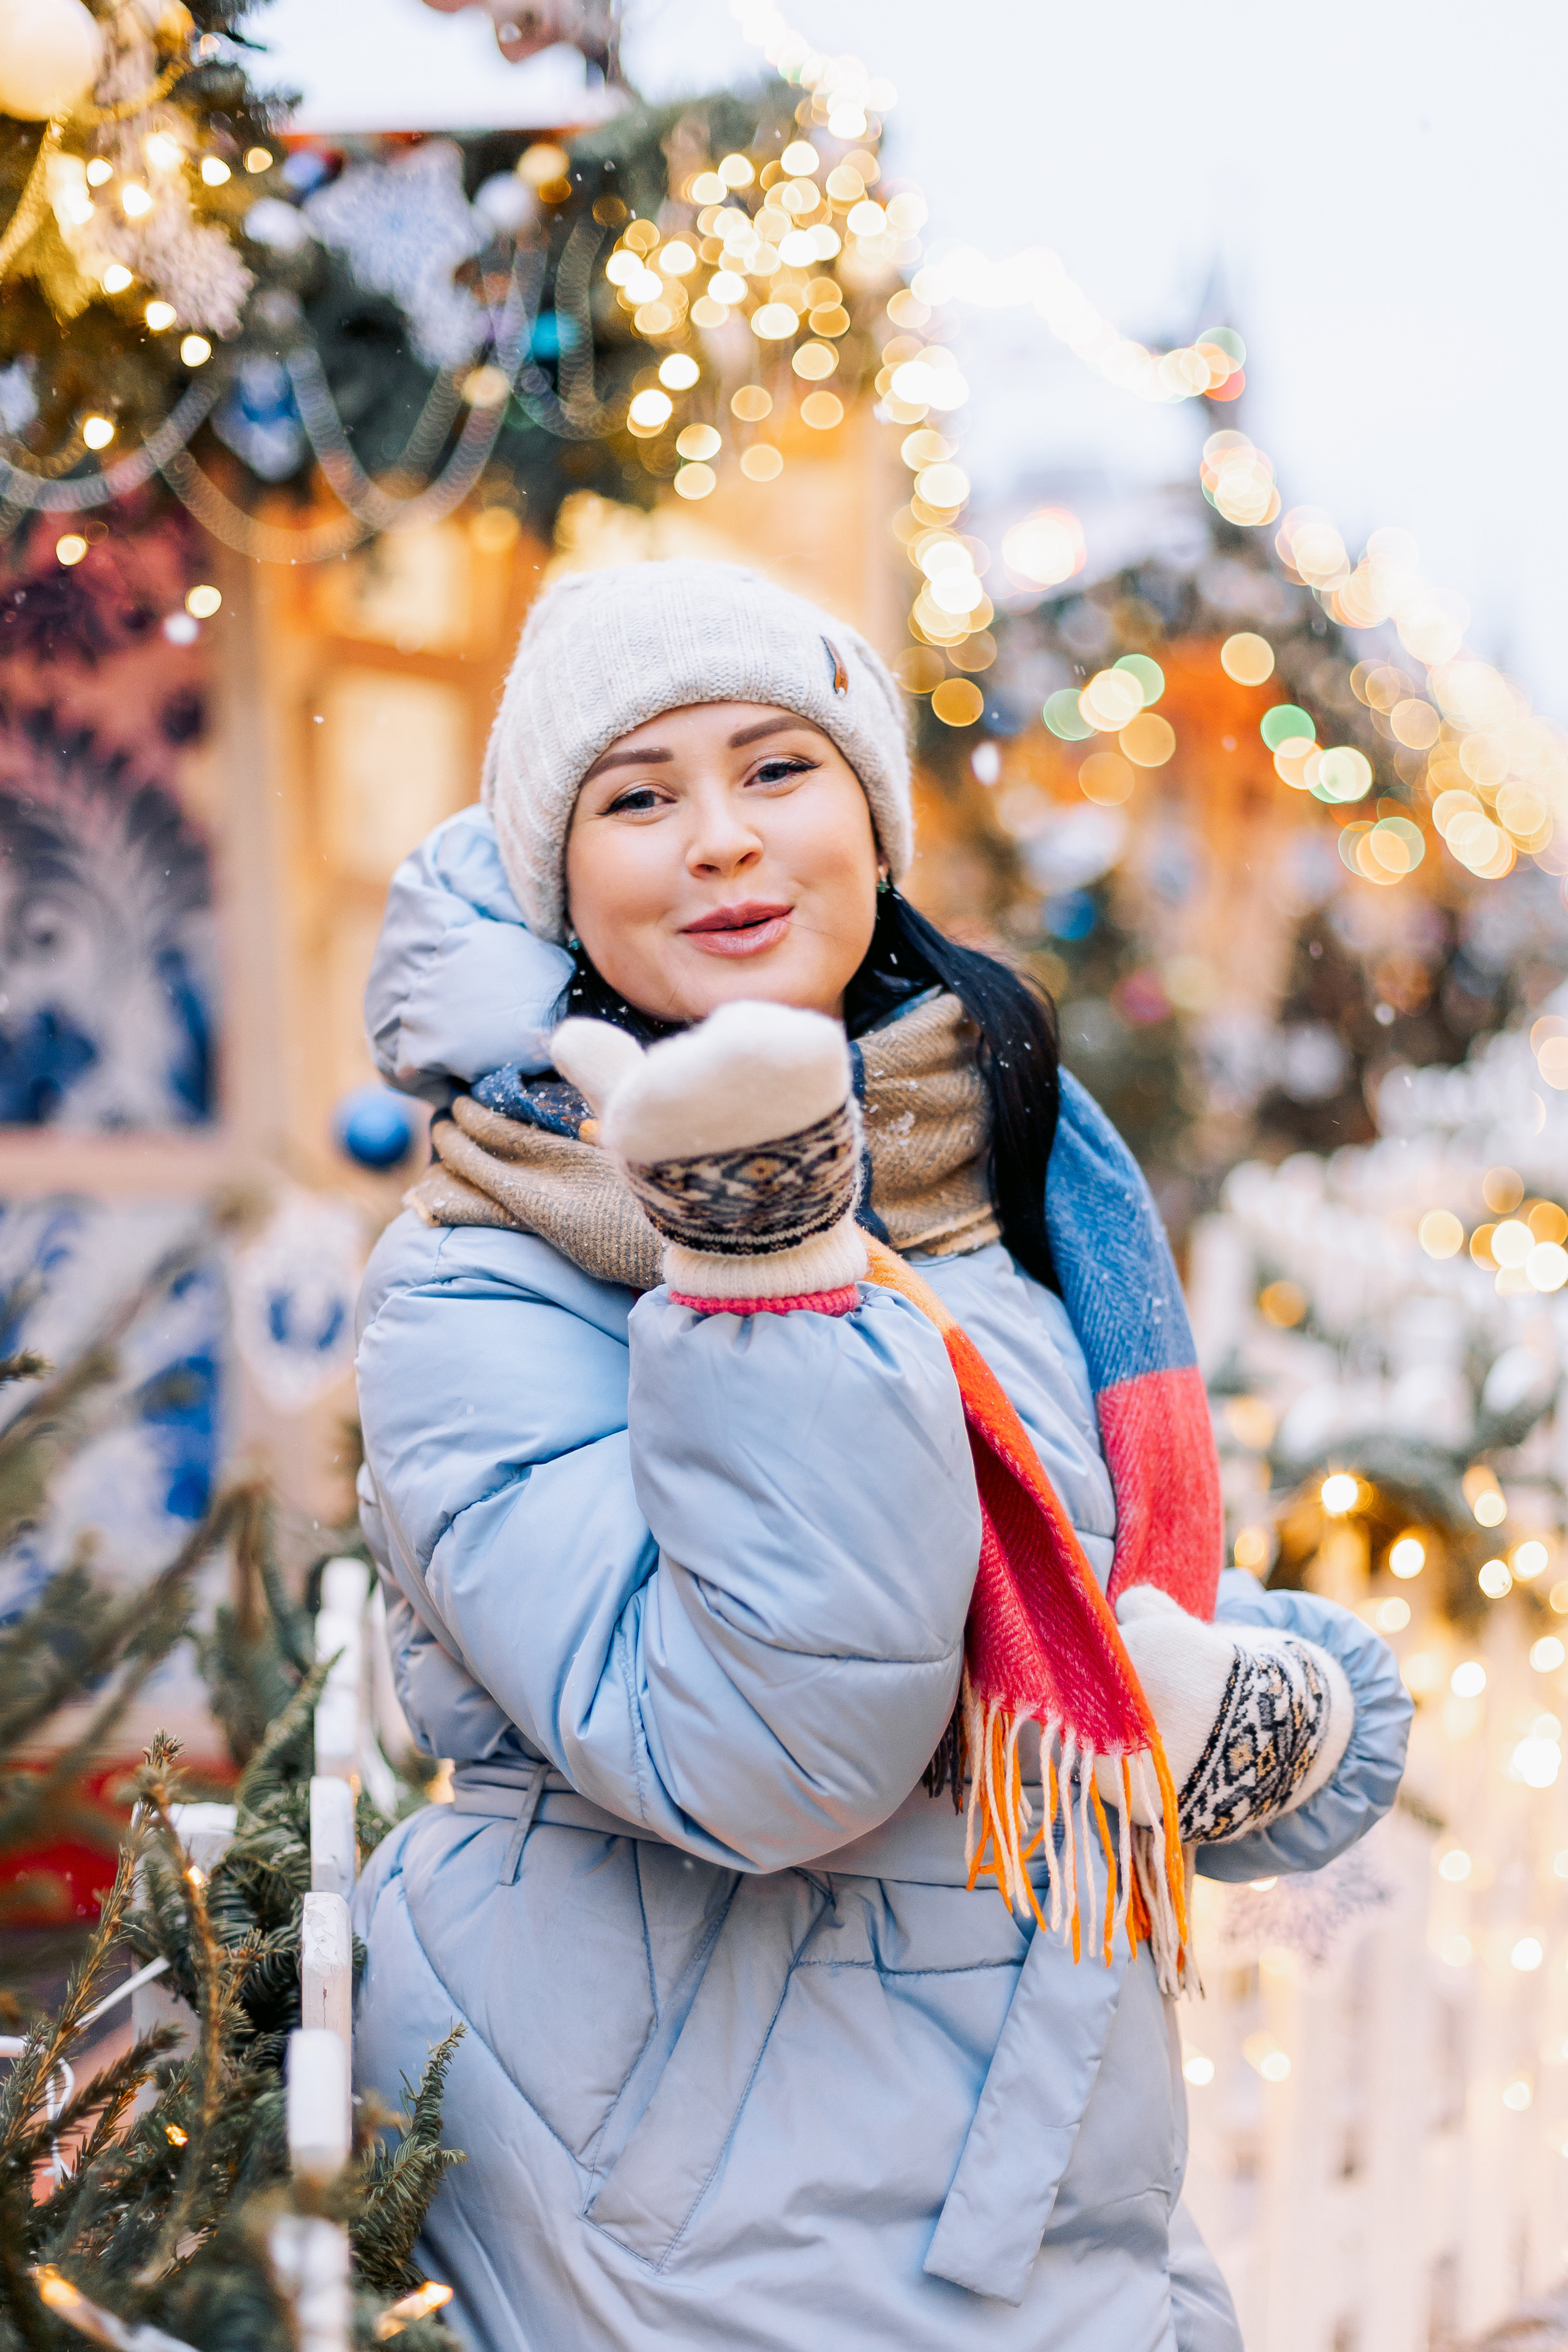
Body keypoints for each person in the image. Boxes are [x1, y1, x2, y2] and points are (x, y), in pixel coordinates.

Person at [350, 559, 1411, 2351]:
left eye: (779, 768)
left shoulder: (1001, 1159)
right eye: (638, 796)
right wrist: (758, 1250)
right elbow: (774, 1756)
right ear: (561, 877)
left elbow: (1051, 1610)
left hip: (1038, 2143)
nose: (720, 840)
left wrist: (1266, 1702)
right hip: (690, 2198)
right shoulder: (482, 1272)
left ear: (870, 817)